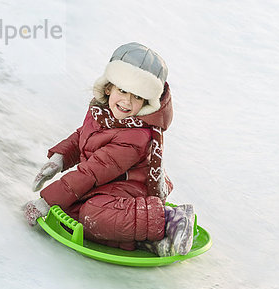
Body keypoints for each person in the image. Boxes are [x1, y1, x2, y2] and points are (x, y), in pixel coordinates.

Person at [23, 42, 194, 257]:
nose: (127, 101)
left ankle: (170, 219)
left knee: (92, 214)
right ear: (108, 87)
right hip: (105, 187)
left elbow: (92, 171)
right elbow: (83, 136)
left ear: (147, 102)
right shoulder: (101, 113)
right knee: (71, 213)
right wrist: (59, 159)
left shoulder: (136, 137)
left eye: (138, 96)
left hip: (129, 191)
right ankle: (148, 240)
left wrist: (45, 202)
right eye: (123, 90)